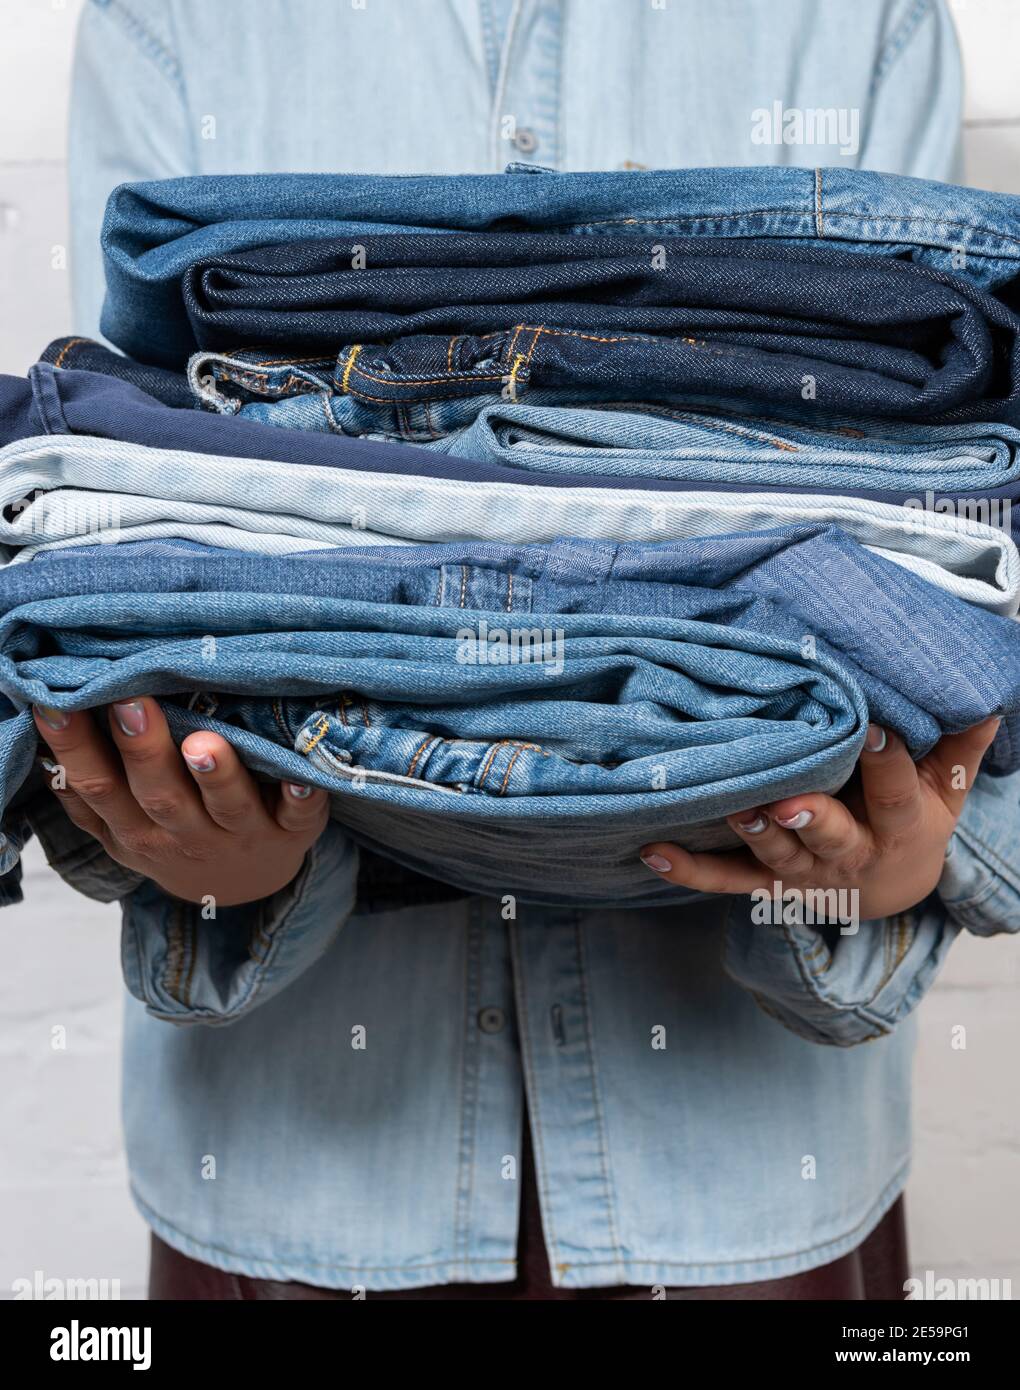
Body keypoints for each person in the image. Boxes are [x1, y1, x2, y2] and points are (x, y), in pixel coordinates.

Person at [37, 0, 1017, 1299]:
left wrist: (882, 879)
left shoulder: (860, 17)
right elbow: (143, 524)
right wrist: (222, 873)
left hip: (752, 1198)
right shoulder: (175, 20)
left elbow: (914, 530)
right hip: (295, 1188)